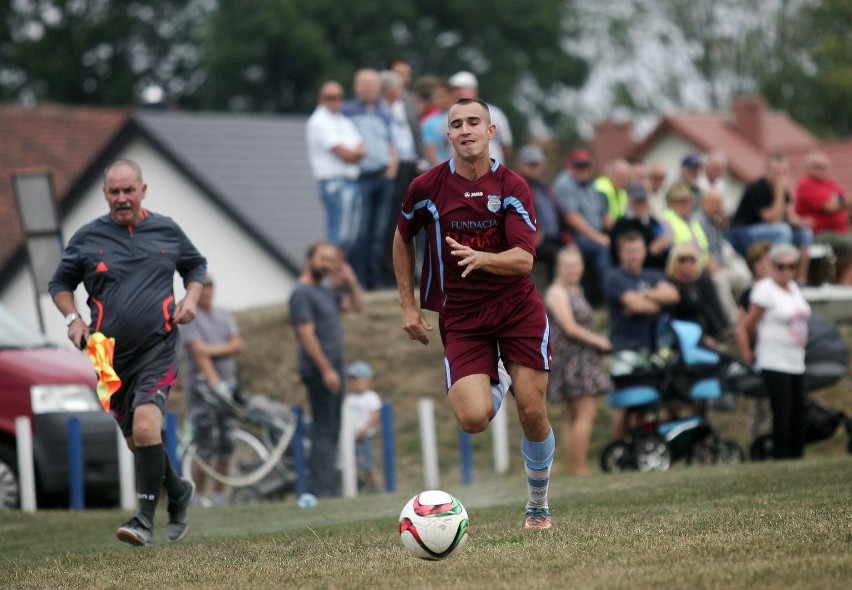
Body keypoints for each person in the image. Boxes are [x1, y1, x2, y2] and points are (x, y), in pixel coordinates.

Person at [393, 98, 555, 530]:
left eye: (473, 122)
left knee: (533, 412)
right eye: (456, 124)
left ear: (490, 131)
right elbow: (402, 236)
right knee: (472, 420)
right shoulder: (426, 187)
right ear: (447, 136)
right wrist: (408, 304)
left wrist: (483, 260)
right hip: (463, 317)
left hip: (517, 310)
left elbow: (524, 259)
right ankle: (498, 377)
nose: (465, 129)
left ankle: (537, 505)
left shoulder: (513, 186)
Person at [49, 159, 205, 546]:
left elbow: (195, 265)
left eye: (128, 190)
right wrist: (73, 318)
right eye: (114, 192)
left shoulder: (166, 230)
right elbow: (60, 282)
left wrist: (191, 298)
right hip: (106, 356)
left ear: (143, 190)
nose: (122, 198)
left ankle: (143, 521)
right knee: (138, 442)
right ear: (105, 195)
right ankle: (179, 492)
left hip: (158, 346)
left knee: (147, 428)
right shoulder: (87, 238)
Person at [289, 241, 359, 498]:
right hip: (320, 370)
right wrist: (327, 369)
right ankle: (322, 490)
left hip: (334, 368)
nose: (328, 265)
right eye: (323, 259)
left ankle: (327, 486)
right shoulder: (302, 293)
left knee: (333, 428)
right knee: (323, 428)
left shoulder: (325, 291)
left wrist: (349, 281)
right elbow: (306, 335)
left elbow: (357, 306)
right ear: (309, 260)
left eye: (332, 260)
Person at [544, 247, 612, 475]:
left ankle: (575, 467)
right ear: (559, 268)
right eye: (566, 266)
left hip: (581, 357)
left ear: (581, 267)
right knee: (585, 413)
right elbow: (571, 328)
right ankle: (579, 468)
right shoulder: (557, 292)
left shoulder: (576, 289)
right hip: (571, 360)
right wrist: (600, 342)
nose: (571, 270)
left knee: (575, 414)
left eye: (575, 265)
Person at [604, 231, 680, 438]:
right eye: (629, 251)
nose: (634, 255)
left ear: (644, 252)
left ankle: (637, 445)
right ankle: (619, 447)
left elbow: (673, 295)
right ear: (620, 253)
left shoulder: (652, 275)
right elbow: (635, 306)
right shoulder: (615, 278)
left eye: (637, 250)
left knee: (645, 403)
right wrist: (655, 303)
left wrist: (645, 295)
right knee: (627, 403)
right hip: (624, 350)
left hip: (650, 348)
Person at [179, 275, 244, 507]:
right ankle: (198, 496)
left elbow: (237, 345)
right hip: (202, 391)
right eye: (203, 286)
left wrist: (211, 350)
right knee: (205, 445)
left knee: (226, 442)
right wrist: (215, 381)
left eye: (210, 286)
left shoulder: (224, 315)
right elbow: (198, 352)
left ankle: (219, 496)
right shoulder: (189, 316)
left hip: (228, 388)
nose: (207, 291)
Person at [744, 244, 811, 459]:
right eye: (781, 266)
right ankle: (782, 455)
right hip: (774, 358)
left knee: (799, 410)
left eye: (791, 266)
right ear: (772, 266)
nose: (786, 271)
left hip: (796, 359)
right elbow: (751, 322)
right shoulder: (765, 288)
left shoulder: (794, 288)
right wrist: (754, 346)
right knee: (782, 410)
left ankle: (796, 454)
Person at [342, 68, 399, 289]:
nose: (367, 88)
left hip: (382, 177)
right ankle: (359, 280)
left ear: (378, 88)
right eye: (363, 83)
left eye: (371, 84)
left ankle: (375, 281)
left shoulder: (384, 111)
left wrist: (391, 169)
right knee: (361, 232)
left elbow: (392, 142)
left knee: (379, 233)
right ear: (356, 87)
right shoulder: (347, 111)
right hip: (359, 178)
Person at [729, 153, 813, 283]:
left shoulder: (784, 189)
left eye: (783, 172)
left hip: (772, 229)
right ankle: (777, 271)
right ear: (767, 170)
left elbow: (791, 217)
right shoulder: (757, 188)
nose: (779, 176)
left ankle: (801, 279)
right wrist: (779, 193)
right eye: (776, 172)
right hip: (747, 231)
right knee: (782, 230)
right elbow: (772, 218)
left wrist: (803, 223)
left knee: (805, 234)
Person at [305, 81, 367, 252]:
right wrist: (354, 154)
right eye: (330, 97)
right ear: (320, 99)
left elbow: (362, 147)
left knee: (349, 236)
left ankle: (338, 271)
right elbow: (344, 153)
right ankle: (333, 273)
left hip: (349, 180)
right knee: (338, 235)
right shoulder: (319, 121)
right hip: (335, 182)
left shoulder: (342, 120)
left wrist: (354, 154)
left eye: (339, 97)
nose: (335, 101)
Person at [554, 149, 614, 296]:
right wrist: (600, 238)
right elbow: (572, 219)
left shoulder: (590, 185)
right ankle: (611, 296)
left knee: (623, 245)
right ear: (570, 167)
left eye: (586, 165)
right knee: (602, 249)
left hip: (594, 234)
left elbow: (604, 215)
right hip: (573, 237)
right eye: (579, 166)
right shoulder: (565, 183)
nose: (583, 169)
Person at [516, 144, 571, 291]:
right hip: (535, 240)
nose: (535, 167)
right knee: (560, 257)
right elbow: (520, 212)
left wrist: (567, 238)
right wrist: (534, 230)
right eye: (531, 164)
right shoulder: (518, 185)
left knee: (573, 253)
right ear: (521, 165)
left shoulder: (544, 186)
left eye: (538, 163)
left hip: (554, 238)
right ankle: (557, 299)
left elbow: (558, 215)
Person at [695, 186, 752, 325]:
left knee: (744, 276)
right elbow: (703, 251)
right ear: (703, 203)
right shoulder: (697, 221)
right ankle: (733, 323)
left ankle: (745, 313)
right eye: (714, 203)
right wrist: (718, 267)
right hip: (707, 268)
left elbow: (719, 247)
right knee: (720, 280)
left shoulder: (715, 220)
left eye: (720, 203)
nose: (718, 207)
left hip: (721, 262)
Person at [794, 150, 852, 285]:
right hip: (818, 233)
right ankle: (845, 284)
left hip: (838, 233)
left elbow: (843, 200)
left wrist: (840, 201)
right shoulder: (806, 184)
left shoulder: (829, 184)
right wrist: (841, 201)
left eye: (823, 166)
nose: (821, 170)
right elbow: (830, 206)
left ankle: (842, 282)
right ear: (807, 167)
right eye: (816, 166)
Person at [735, 241, 773, 441]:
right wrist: (746, 352)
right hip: (760, 352)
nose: (764, 265)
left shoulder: (785, 290)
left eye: (768, 260)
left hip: (782, 352)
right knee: (761, 402)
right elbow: (742, 327)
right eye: (759, 262)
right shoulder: (749, 294)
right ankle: (757, 441)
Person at [664, 243, 729, 345]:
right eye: (682, 259)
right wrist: (702, 337)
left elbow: (715, 309)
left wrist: (721, 332)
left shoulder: (703, 281)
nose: (687, 263)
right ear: (674, 262)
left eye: (692, 259)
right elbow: (673, 319)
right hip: (683, 337)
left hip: (708, 333)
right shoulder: (668, 284)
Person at [448, 71, 513, 163]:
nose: (459, 93)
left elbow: (506, 144)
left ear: (474, 90)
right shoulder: (449, 116)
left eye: (464, 88)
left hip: (491, 170)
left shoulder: (494, 113)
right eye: (455, 90)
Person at [609, 182, 671, 270]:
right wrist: (651, 251)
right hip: (635, 272)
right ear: (630, 202)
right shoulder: (621, 225)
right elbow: (618, 256)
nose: (640, 205)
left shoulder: (653, 222)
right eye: (637, 201)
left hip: (659, 269)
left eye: (643, 201)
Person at [343, 361, 383, 493]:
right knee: (352, 463)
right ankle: (357, 486)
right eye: (352, 380)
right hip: (350, 437)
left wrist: (365, 429)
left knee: (367, 463)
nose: (355, 383)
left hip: (365, 437)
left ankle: (374, 486)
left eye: (357, 380)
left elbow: (375, 414)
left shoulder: (371, 397)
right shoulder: (349, 398)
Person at [420, 78, 454, 168]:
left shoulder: (461, 117)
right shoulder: (429, 122)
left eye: (440, 96)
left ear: (450, 95)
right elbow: (430, 150)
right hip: (442, 169)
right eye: (435, 97)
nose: (437, 100)